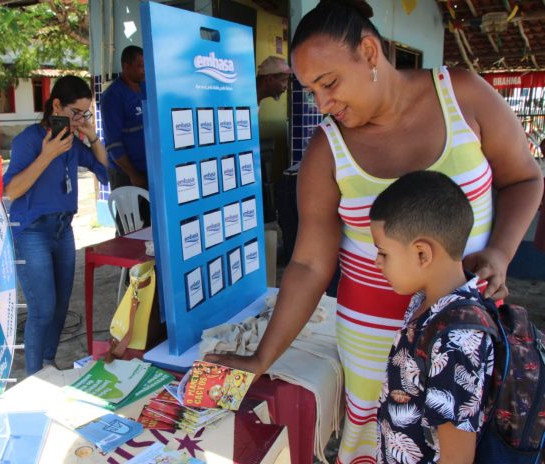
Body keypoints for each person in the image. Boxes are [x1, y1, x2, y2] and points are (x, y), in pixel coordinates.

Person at [205, 1, 543, 462]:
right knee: (379, 443)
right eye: (310, 92)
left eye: (329, 83)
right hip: (373, 338)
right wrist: (262, 357)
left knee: (466, 444)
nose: (324, 104)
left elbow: (525, 178)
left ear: (368, 51)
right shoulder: (328, 149)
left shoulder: (462, 95)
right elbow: (308, 262)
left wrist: (501, 252)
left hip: (464, 336)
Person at [370, 171, 493, 464]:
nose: (376, 263)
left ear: (422, 254)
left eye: (383, 253)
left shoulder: (455, 342)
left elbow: (457, 457)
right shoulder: (427, 305)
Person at [3, 75, 108, 375]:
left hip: (63, 229)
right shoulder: (29, 140)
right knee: (43, 308)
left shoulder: (72, 143)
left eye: (85, 114)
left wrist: (93, 136)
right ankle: (35, 378)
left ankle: (48, 364)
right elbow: (11, 191)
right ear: (57, 105)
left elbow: (104, 172)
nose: (78, 120)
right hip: (32, 230)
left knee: (61, 307)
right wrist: (47, 155)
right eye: (76, 113)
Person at [101, 45, 148, 191]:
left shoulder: (147, 87)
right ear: (126, 66)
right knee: (130, 214)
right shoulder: (112, 96)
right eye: (140, 66)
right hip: (125, 173)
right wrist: (133, 175)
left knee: (149, 214)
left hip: (149, 169)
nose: (144, 70)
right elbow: (113, 144)